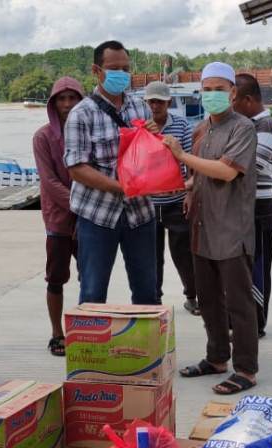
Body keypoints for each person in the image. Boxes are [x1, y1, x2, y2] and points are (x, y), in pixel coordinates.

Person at [163, 62, 259, 395]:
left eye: (220, 89)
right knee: (208, 299)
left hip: (232, 228)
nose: (213, 95)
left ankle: (246, 369)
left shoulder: (243, 128)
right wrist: (188, 187)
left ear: (233, 93)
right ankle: (217, 358)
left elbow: (226, 172)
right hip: (202, 227)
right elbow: (202, 174)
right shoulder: (201, 129)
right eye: (207, 89)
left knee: (239, 303)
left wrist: (181, 156)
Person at [64, 41, 158, 305]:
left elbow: (153, 159)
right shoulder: (81, 114)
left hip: (140, 214)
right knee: (93, 293)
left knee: (147, 291)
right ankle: (92, 346)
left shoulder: (141, 107)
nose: (122, 74)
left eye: (126, 68)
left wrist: (154, 140)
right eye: (114, 68)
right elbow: (77, 168)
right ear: (97, 70)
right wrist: (121, 187)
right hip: (97, 216)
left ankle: (145, 346)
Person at [33, 76, 85, 356]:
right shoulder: (43, 137)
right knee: (56, 278)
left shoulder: (88, 131)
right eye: (61, 99)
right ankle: (57, 333)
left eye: (72, 98)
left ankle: (87, 330)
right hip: (58, 218)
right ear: (54, 103)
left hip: (88, 216)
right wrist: (78, 204)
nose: (67, 104)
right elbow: (48, 181)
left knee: (89, 276)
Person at [232, 73, 272, 338]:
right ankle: (242, 320)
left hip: (259, 210)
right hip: (241, 210)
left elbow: (248, 167)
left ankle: (256, 324)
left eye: (234, 99)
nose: (230, 105)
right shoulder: (247, 125)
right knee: (241, 269)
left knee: (257, 268)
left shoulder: (266, 127)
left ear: (248, 100)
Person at [143, 81, 199, 315]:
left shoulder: (182, 126)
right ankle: (153, 298)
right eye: (151, 101)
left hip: (175, 200)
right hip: (148, 202)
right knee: (151, 256)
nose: (155, 106)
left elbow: (188, 162)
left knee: (184, 253)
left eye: (160, 101)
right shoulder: (140, 127)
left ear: (168, 102)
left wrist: (189, 192)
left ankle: (192, 296)